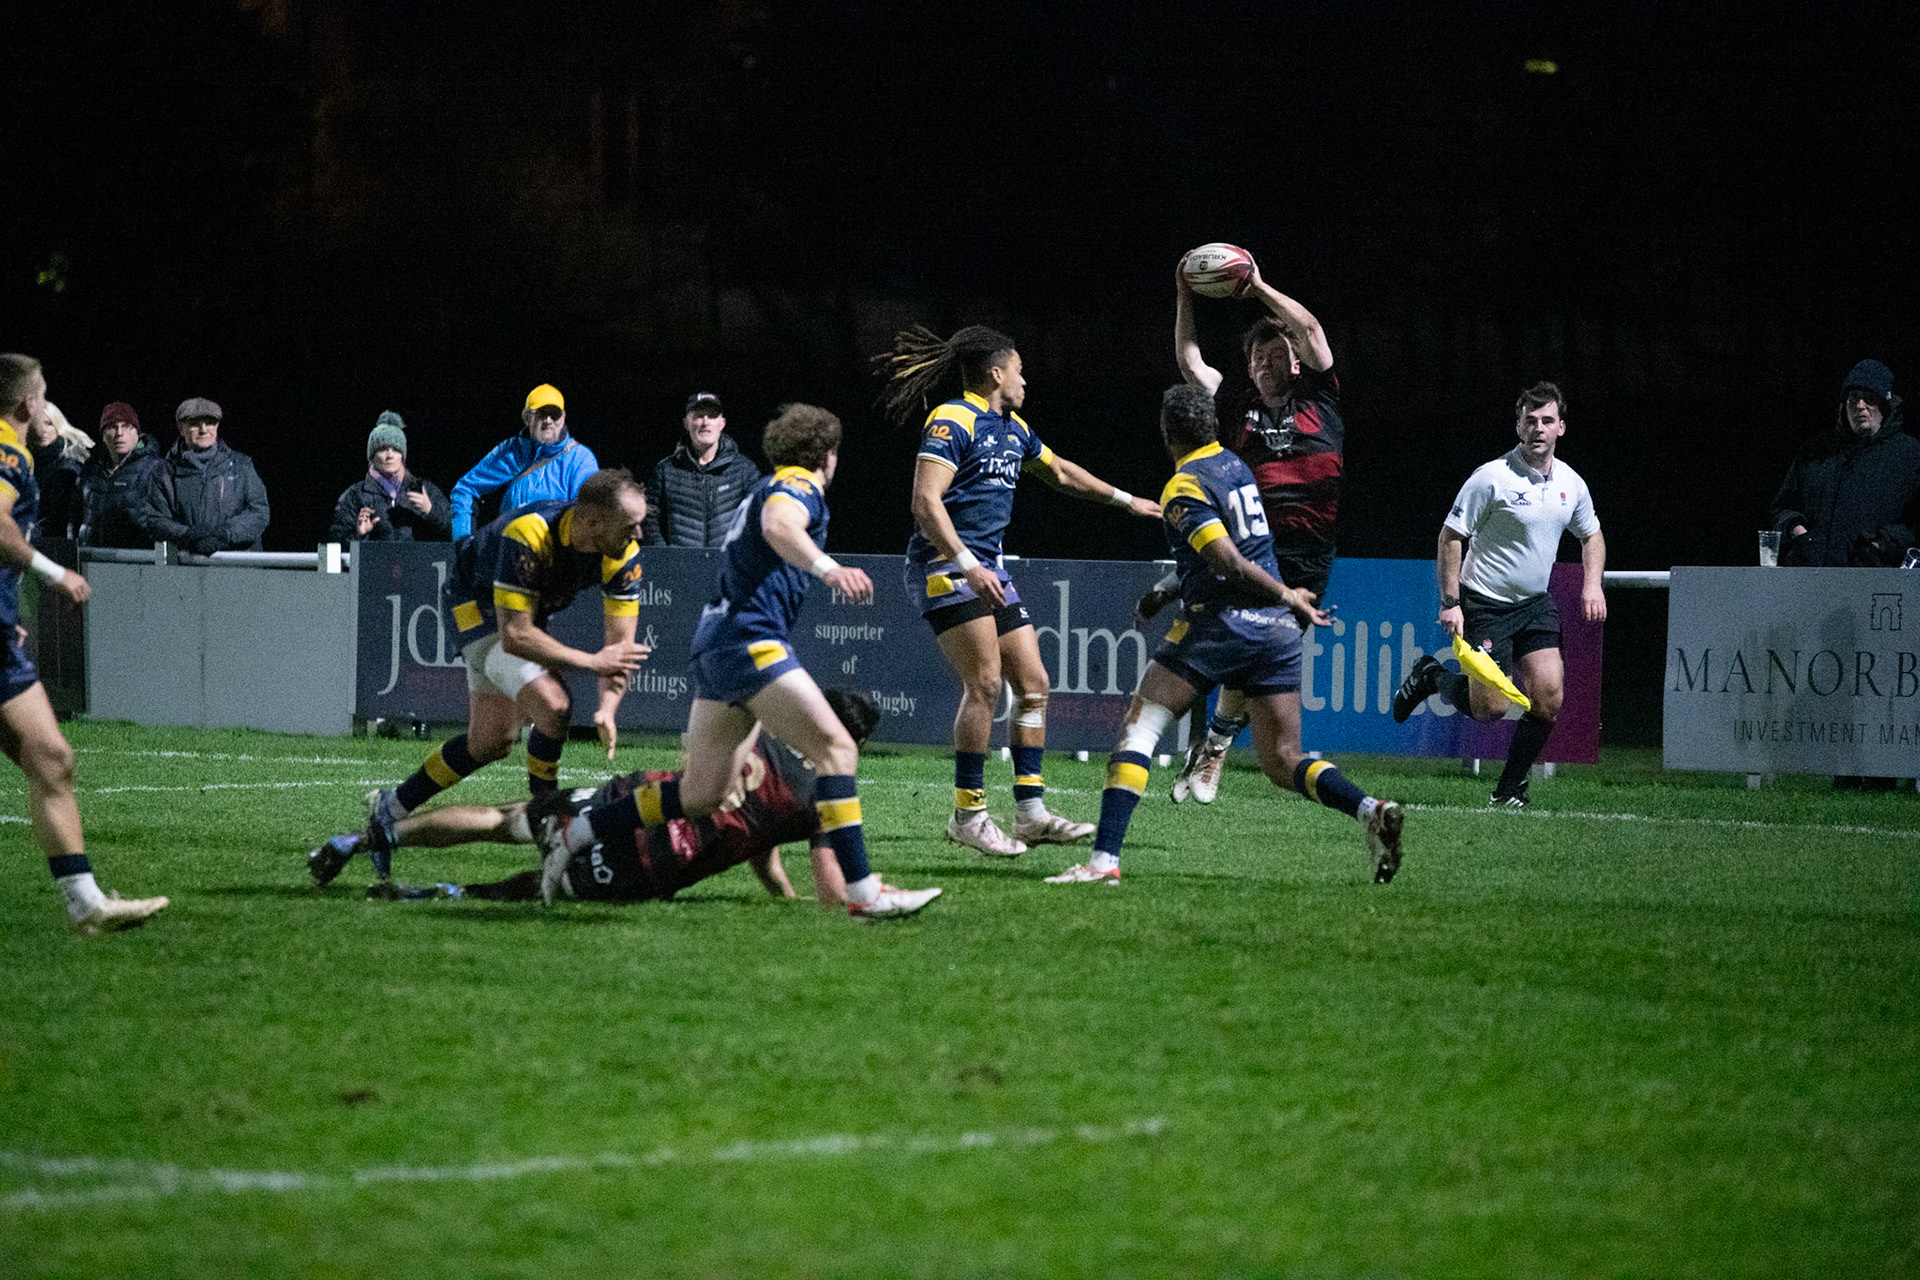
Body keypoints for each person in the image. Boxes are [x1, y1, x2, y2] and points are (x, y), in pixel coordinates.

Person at [1047, 385, 1404, 886]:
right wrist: (1167, 591)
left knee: (1140, 729)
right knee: (1284, 760)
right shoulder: (1235, 466)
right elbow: (1235, 551)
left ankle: (1102, 863)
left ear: (1167, 432)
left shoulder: (1183, 486)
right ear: (1212, 427)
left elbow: (1228, 561)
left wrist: (1286, 595)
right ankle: (1369, 809)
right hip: (1274, 634)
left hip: (1220, 625)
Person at [637, 403, 939, 919]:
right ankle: (864, 893)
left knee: (702, 791)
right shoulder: (800, 485)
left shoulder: (762, 484)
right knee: (838, 748)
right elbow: (781, 524)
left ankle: (583, 827)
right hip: (749, 641)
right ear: (827, 455)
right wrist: (827, 568)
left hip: (716, 643)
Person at [877, 324, 1162, 857]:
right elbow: (925, 502)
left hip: (988, 568)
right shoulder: (952, 418)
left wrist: (1127, 501)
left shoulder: (1012, 427)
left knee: (1034, 684)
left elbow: (1059, 472)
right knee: (985, 685)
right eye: (1021, 370)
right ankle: (968, 815)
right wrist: (966, 563)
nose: (1026, 380)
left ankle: (1030, 813)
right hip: (945, 566)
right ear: (996, 373)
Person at [310, 691, 882, 908]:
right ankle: (442, 893)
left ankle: (364, 839)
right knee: (543, 887)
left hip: (632, 800)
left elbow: (751, 815)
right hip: (659, 860)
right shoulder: (826, 793)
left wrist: (774, 884)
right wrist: (802, 895)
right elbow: (829, 886)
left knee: (502, 820)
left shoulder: (766, 728)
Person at [362, 469, 654, 878]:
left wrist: (608, 705)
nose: (639, 534)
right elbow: (515, 636)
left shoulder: (622, 553)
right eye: (630, 525)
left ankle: (390, 806)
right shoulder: (530, 534)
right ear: (591, 522)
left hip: (525, 614)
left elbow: (619, 649)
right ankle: (548, 829)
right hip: (474, 604)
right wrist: (590, 663)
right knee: (554, 706)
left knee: (490, 742)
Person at [1159, 252, 1348, 806]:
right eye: (1259, 356)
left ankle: (1213, 743)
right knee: (1254, 642)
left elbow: (1309, 328)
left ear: (1296, 364)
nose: (1268, 362)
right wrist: (1185, 294)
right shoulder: (1236, 403)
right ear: (1248, 370)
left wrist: (1258, 286)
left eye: (1278, 353)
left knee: (1259, 653)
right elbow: (1189, 359)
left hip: (1311, 552)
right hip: (1254, 547)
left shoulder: (1320, 395)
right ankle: (1214, 748)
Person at [0, 354, 167, 932]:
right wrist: (56, 574)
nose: (45, 403)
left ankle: (86, 904)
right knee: (52, 759)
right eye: (42, 393)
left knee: (51, 758)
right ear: (27, 403)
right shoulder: (6, 449)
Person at [1391, 381, 1606, 807]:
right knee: (1489, 709)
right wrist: (1451, 602)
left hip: (1534, 604)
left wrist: (1592, 582)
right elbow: (1451, 537)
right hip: (1485, 603)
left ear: (1561, 427)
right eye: (1531, 421)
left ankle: (1508, 790)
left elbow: (1592, 534)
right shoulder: (1491, 478)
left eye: (1547, 420)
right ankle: (1432, 676)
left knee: (1547, 699)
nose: (1538, 429)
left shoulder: (1571, 484)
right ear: (1519, 426)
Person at [1771, 359, 1917, 567]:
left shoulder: (1909, 456)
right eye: (1853, 398)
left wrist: (1882, 543)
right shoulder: (1816, 452)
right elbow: (1782, 506)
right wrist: (1796, 528)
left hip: (1875, 582)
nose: (1860, 406)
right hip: (1810, 579)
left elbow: (1914, 525)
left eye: (1869, 398)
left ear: (1885, 405)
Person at [449, 384, 599, 541]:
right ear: (527, 418)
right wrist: (462, 540)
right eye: (541, 413)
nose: (548, 420)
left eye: (554, 414)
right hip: (508, 554)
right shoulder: (511, 451)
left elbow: (586, 515)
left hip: (553, 558)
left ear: (563, 417)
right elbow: (465, 489)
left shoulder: (580, 459)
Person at [138, 396, 271, 554]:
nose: (203, 429)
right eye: (194, 424)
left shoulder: (241, 465)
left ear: (217, 426)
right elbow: (154, 518)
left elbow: (258, 511)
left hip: (238, 566)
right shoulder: (163, 472)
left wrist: (223, 535)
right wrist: (188, 535)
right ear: (181, 428)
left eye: (210, 422)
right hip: (188, 566)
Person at [643, 391, 762, 546]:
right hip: (681, 567)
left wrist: (742, 557)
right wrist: (665, 554)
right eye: (699, 415)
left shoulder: (744, 469)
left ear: (722, 423)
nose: (705, 422)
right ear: (686, 423)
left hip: (728, 566)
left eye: (712, 416)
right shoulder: (666, 470)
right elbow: (649, 516)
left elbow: (760, 517)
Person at [328, 411, 452, 543]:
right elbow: (336, 544)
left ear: (402, 456)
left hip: (418, 563)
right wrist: (359, 535)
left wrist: (431, 511)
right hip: (374, 563)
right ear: (372, 456)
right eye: (382, 449)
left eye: (396, 449)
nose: (390, 455)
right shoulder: (355, 495)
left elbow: (456, 531)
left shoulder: (424, 490)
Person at [76, 402, 163, 549]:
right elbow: (76, 516)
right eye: (112, 427)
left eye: (126, 426)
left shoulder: (155, 469)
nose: (119, 433)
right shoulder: (90, 469)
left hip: (135, 562)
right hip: (91, 559)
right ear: (103, 435)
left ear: (137, 432)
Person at [24, 401, 88, 543]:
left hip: (55, 547)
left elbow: (57, 520)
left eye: (49, 423)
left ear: (58, 426)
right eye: (37, 424)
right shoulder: (30, 461)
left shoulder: (67, 467)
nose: (43, 430)